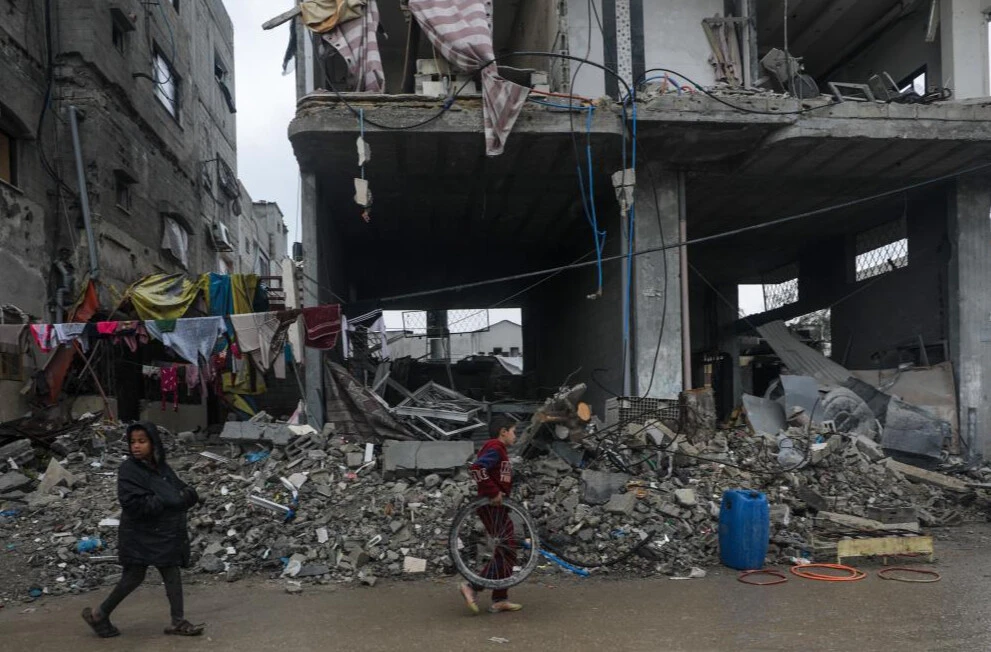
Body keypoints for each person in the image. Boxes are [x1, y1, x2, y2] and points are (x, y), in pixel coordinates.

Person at [82, 422, 204, 637]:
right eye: (132, 442)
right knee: (134, 576)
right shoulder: (129, 470)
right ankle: (100, 614)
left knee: (171, 571)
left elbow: (183, 491)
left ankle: (178, 621)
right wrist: (167, 500)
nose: (136, 446)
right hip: (139, 533)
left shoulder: (161, 467)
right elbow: (132, 503)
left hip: (163, 534)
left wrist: (178, 497)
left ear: (153, 443)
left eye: (142, 441)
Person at [459, 416, 523, 615]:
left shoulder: (500, 450)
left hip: (499, 508)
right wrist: (493, 491)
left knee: (506, 551)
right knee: (507, 550)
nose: (516, 435)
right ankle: (473, 587)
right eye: (513, 431)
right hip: (490, 507)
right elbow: (476, 469)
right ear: (503, 431)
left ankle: (499, 598)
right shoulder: (495, 447)